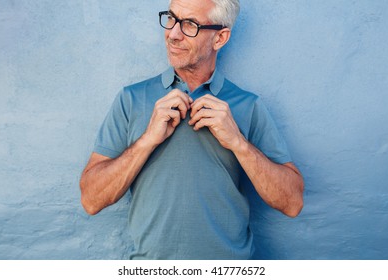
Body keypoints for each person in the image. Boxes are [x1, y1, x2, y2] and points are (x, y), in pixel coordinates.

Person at [80, 0, 304, 260]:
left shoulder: (248, 105)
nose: (173, 34)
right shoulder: (131, 99)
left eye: (190, 25)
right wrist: (147, 141)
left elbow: (292, 203)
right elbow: (91, 200)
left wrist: (238, 143)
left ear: (220, 38)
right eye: (171, 19)